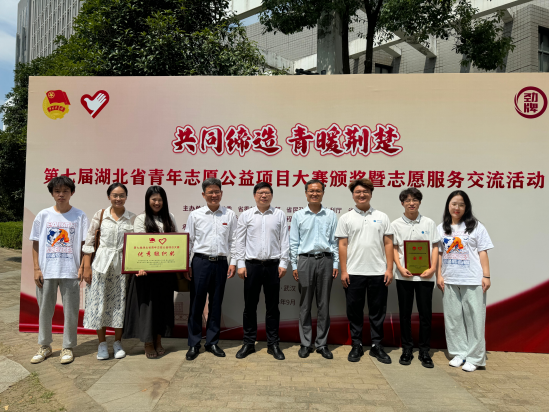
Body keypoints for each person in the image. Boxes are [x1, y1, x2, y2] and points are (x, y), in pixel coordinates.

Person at [29, 176, 89, 365]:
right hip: (46, 271)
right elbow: (35, 243)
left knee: (71, 311)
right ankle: (44, 346)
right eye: (57, 191)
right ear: (52, 193)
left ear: (72, 192)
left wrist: (82, 266)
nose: (61, 194)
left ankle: (67, 347)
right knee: (44, 311)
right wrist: (36, 268)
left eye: (65, 191)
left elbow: (85, 244)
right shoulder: (43, 215)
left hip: (70, 271)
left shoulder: (79, 216)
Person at [335, 178, 394, 364]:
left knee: (378, 311)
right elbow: (342, 245)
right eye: (358, 192)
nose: (362, 195)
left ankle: (377, 345)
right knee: (354, 311)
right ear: (353, 195)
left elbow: (388, 243)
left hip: (378, 272)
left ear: (371, 194)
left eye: (365, 192)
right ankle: (357, 344)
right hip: (354, 272)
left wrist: (389, 268)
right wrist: (344, 271)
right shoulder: (346, 218)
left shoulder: (382, 217)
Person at [437, 190, 493, 372]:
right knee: (453, 319)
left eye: (461, 204)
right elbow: (439, 254)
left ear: (466, 207)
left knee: (475, 319)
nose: (457, 208)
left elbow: (483, 252)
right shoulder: (441, 228)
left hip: (472, 279)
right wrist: (439, 275)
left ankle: (475, 357)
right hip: (450, 279)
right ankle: (459, 352)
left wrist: (486, 276)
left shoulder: (476, 227)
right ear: (448, 205)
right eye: (454, 204)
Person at [234, 182, 289, 361]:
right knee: (250, 306)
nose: (263, 196)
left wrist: (284, 263)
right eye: (260, 193)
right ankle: (249, 343)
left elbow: (284, 240)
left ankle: (273, 344)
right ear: (254, 195)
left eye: (267, 193)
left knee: (273, 307)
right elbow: (239, 241)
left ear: (271, 195)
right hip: (252, 266)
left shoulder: (279, 214)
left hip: (273, 266)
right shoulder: (246, 215)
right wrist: (240, 264)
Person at [184, 178, 237, 361]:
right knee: (196, 304)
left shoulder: (229, 215)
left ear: (221, 193)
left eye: (217, 192)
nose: (214, 195)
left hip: (221, 263)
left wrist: (233, 262)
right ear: (203, 194)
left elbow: (234, 241)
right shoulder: (195, 215)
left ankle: (212, 342)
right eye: (210, 192)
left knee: (216, 304)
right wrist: (187, 265)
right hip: (200, 262)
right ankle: (194, 343)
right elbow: (189, 241)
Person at [82, 183, 135, 360]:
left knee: (119, 304)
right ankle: (102, 344)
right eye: (114, 195)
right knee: (100, 304)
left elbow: (137, 245)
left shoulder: (132, 218)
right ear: (109, 197)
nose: (118, 198)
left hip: (122, 269)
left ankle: (118, 342)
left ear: (126, 197)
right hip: (101, 266)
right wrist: (87, 267)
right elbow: (89, 242)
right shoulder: (101, 215)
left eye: (121, 195)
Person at [123, 186, 178, 359]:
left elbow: (176, 243)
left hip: (165, 272)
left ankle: (159, 340)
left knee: (163, 307)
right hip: (145, 273)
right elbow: (139, 244)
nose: (157, 202)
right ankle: (148, 343)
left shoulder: (170, 217)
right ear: (148, 201)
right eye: (154, 199)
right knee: (148, 309)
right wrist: (139, 266)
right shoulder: (141, 219)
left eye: (160, 199)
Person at [391, 188, 440, 368]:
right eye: (408, 200)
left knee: (425, 315)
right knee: (405, 315)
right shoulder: (395, 224)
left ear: (419, 202)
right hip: (404, 276)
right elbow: (394, 248)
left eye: (415, 200)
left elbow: (435, 247)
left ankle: (425, 351)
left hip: (425, 277)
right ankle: (407, 349)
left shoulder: (429, 223)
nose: (411, 203)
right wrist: (399, 267)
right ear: (402, 203)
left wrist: (433, 268)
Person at [290, 179, 339, 359]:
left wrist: (335, 264)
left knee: (323, 304)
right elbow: (293, 242)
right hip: (305, 261)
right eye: (311, 191)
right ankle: (305, 343)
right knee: (305, 304)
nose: (314, 194)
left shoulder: (331, 215)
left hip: (326, 260)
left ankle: (321, 344)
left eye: (318, 191)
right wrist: (294, 265)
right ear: (306, 193)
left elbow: (335, 242)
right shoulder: (298, 215)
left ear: (323, 193)